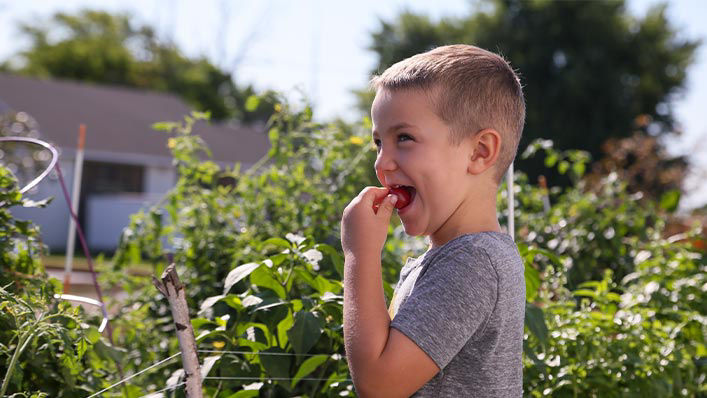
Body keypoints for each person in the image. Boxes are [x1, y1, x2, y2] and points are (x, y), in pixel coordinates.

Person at [340, 44, 526, 397]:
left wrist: (359, 254)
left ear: (479, 152)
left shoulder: (473, 262)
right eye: (379, 142)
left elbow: (379, 384)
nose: (382, 163)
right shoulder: (453, 258)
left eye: (404, 138)